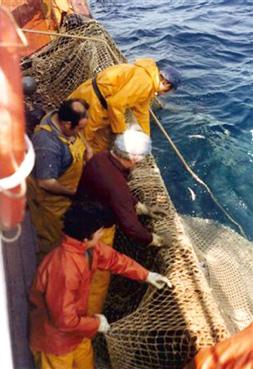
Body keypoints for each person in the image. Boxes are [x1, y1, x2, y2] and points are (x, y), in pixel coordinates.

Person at [29, 200, 172, 369]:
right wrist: (96, 323)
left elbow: (114, 260)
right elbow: (63, 320)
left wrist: (147, 275)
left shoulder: (87, 248)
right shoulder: (64, 270)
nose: (102, 233)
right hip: (55, 343)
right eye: (99, 232)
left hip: (78, 332)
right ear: (85, 238)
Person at [75, 129, 169, 315]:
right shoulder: (116, 185)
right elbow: (130, 226)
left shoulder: (101, 158)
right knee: (96, 281)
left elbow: (120, 192)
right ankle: (88, 316)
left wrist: (142, 208)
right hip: (92, 232)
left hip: (81, 218)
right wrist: (154, 239)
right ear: (133, 159)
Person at [69, 58, 181, 152]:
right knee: (79, 141)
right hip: (92, 103)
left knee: (99, 145)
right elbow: (115, 104)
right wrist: (121, 133)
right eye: (169, 90)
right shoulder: (145, 83)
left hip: (92, 96)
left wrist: (145, 137)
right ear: (166, 84)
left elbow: (142, 112)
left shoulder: (148, 81)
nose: (165, 93)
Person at [27, 99, 92, 260]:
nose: (80, 132)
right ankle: (45, 276)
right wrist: (72, 192)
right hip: (50, 203)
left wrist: (88, 148)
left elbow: (77, 134)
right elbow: (46, 182)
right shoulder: (47, 145)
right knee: (52, 243)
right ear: (67, 124)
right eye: (80, 128)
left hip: (67, 196)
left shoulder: (57, 116)